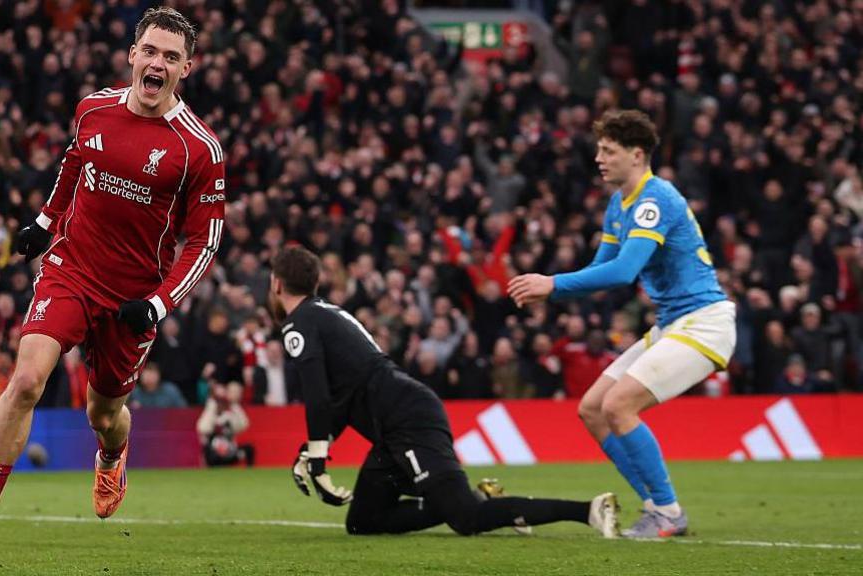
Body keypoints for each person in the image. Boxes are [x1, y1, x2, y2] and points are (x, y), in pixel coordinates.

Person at [0, 8, 226, 575]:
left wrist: (158, 303)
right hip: (72, 268)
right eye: (150, 50)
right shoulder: (94, 107)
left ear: (185, 68)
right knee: (25, 381)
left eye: (171, 56)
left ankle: (113, 455)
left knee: (104, 411)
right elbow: (76, 163)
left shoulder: (198, 149)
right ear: (132, 54)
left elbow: (205, 241)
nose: (157, 62)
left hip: (133, 297)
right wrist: (46, 224)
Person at [270, 246, 619, 538]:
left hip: (407, 420)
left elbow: (316, 394)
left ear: (276, 284)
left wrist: (317, 458)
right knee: (363, 522)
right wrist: (315, 448)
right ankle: (472, 498)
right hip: (395, 423)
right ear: (316, 281)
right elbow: (341, 399)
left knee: (465, 519)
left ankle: (588, 510)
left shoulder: (299, 323)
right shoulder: (324, 315)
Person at [508, 109, 736, 539]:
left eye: (608, 150)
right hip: (672, 323)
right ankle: (656, 507)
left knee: (619, 405)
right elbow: (602, 267)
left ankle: (669, 512)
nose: (599, 157)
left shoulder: (655, 200)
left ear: (637, 155)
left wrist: (551, 283)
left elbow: (623, 272)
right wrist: (551, 290)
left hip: (704, 322)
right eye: (598, 149)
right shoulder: (619, 204)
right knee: (593, 409)